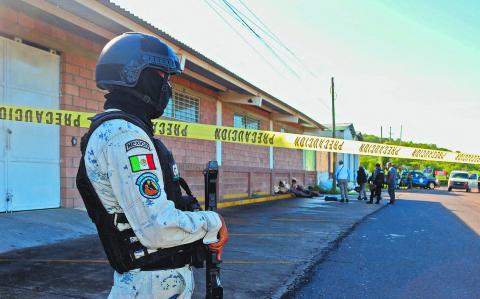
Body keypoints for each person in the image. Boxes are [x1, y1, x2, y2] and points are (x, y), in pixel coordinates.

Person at [76, 33, 228, 298]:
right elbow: (158, 228)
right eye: (163, 77)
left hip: (155, 284)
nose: (167, 87)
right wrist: (212, 223)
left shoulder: (122, 130)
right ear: (135, 73)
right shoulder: (125, 135)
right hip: (149, 285)